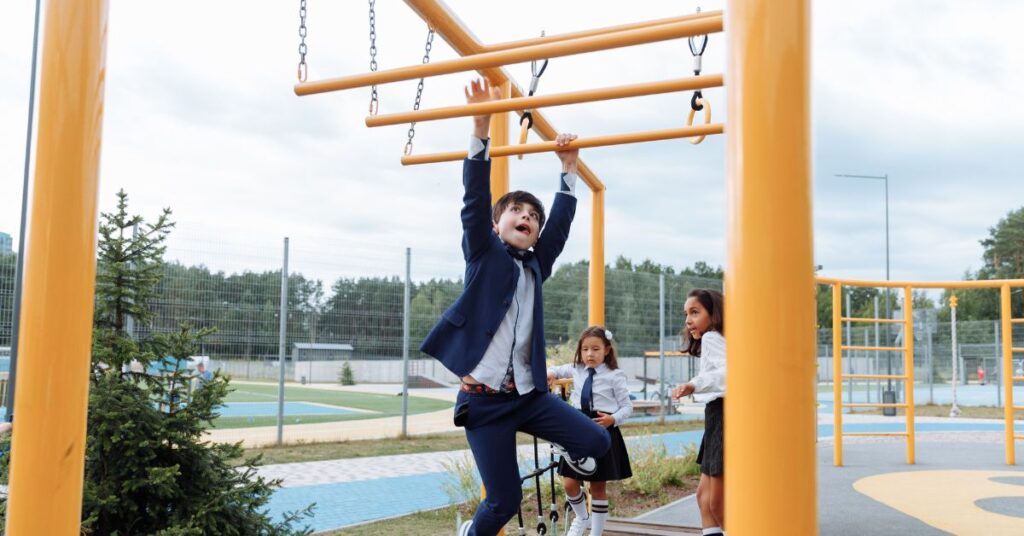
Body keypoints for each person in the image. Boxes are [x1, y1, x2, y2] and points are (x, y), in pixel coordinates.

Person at [419, 78, 610, 536]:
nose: (526, 218)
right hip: (483, 404)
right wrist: (481, 124)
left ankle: (570, 463)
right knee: (502, 500)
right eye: (517, 212)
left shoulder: (535, 266)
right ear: (496, 223)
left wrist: (568, 168)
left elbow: (559, 231)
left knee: (595, 440)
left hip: (527, 396)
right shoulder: (484, 256)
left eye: (533, 217)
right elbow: (473, 198)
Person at [547, 326, 633, 536]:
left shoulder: (614, 375)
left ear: (607, 350)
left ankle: (596, 533)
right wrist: (550, 373)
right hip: (577, 429)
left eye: (595, 349)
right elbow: (558, 370)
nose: (589, 354)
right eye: (585, 349)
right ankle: (582, 517)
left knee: (597, 486)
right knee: (569, 483)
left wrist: (612, 419)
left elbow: (627, 407)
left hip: (602, 429)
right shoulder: (576, 368)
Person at [671, 288, 726, 536]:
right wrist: (694, 383)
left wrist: (694, 385)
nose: (688, 320)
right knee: (704, 498)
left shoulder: (711, 338)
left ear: (713, 314)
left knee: (718, 504)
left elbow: (731, 373)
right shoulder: (716, 339)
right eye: (686, 314)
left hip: (723, 414)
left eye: (695, 312)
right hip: (715, 416)